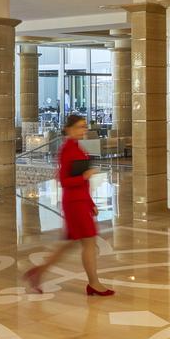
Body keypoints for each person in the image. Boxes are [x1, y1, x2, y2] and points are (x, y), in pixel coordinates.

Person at [24, 114, 114, 296]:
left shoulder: (76, 147)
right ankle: (93, 283)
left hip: (80, 201)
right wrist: (84, 176)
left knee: (69, 244)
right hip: (74, 203)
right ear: (69, 129)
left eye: (84, 126)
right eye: (80, 126)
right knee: (89, 242)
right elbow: (64, 180)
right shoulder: (67, 150)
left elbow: (80, 180)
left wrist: (90, 202)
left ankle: (38, 273)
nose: (83, 130)